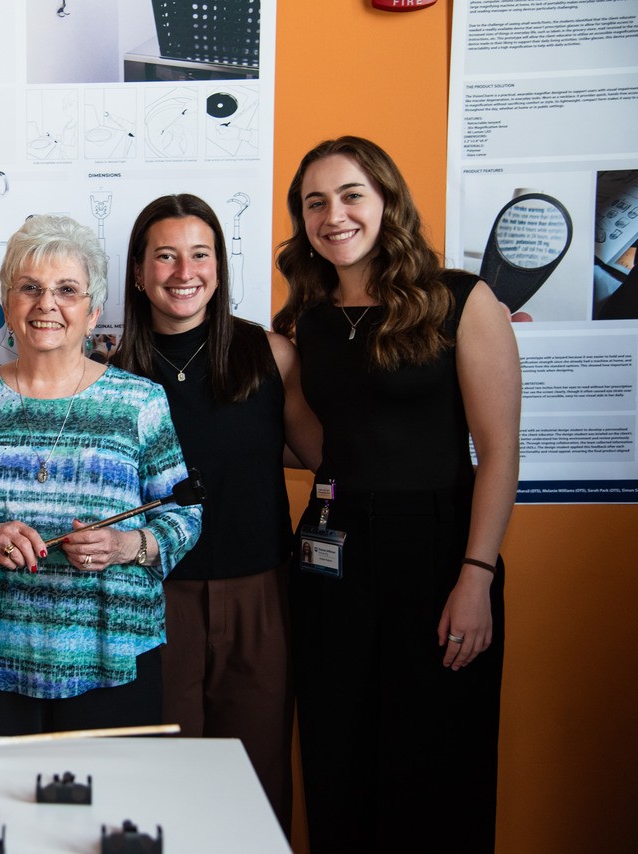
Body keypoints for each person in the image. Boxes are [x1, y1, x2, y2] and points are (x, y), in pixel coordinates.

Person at [272, 136, 520, 853]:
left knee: (436, 765)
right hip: (332, 555)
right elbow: (322, 449)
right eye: (315, 203)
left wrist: (476, 575)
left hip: (440, 553)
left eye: (352, 195)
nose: (334, 215)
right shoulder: (307, 323)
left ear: (387, 201)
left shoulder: (460, 299)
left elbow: (499, 452)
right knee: (338, 760)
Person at [0, 214, 202, 735]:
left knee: (109, 792)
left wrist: (124, 545)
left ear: (93, 312)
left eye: (67, 290)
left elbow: (184, 516)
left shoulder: (139, 402)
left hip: (114, 660)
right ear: (8, 304)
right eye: (30, 288)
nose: (47, 303)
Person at [112, 193, 321, 831]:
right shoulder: (111, 371)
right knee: (161, 783)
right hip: (153, 594)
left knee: (254, 779)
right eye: (165, 256)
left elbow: (322, 456)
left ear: (220, 267)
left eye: (200, 254)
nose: (185, 272)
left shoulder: (271, 354)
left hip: (259, 592)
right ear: (138, 272)